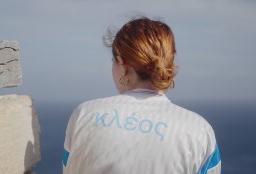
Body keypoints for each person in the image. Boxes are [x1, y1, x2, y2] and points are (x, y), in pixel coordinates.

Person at [63, 16, 221, 174]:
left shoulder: (84, 114)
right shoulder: (199, 130)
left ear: (122, 63)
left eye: (113, 61)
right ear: (168, 63)